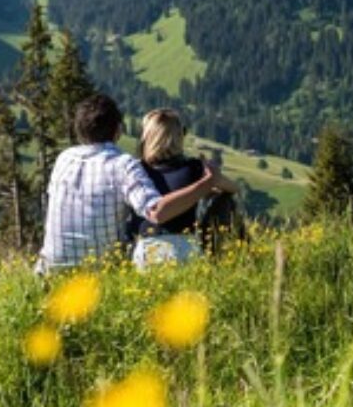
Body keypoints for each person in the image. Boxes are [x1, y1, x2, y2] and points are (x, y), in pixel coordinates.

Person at [36, 95, 235, 273]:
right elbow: (157, 212)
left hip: (51, 268)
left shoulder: (64, 158)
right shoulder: (123, 165)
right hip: (100, 270)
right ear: (118, 130)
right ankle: (227, 262)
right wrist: (208, 182)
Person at [129, 108, 224, 267]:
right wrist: (211, 176)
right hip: (184, 247)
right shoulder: (194, 167)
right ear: (178, 137)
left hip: (146, 249)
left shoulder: (136, 170)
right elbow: (233, 187)